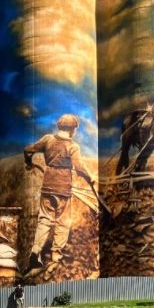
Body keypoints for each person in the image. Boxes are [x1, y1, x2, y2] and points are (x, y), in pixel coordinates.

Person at [23, 114, 94, 274]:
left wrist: (28, 162)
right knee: (62, 222)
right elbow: (79, 167)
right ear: (73, 130)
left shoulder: (48, 139)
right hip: (63, 189)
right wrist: (91, 177)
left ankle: (35, 253)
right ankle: (56, 256)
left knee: (44, 220)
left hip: (47, 187)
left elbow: (28, 149)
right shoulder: (73, 146)